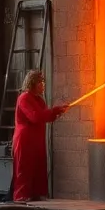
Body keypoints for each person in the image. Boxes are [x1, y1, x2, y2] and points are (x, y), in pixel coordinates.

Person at [11, 69, 68, 202]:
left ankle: (36, 196)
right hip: (25, 140)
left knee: (38, 168)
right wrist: (53, 111)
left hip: (37, 140)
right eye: (40, 82)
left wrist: (57, 112)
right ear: (33, 83)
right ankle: (21, 198)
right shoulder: (24, 98)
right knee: (25, 169)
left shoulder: (39, 100)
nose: (43, 85)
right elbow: (35, 117)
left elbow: (45, 116)